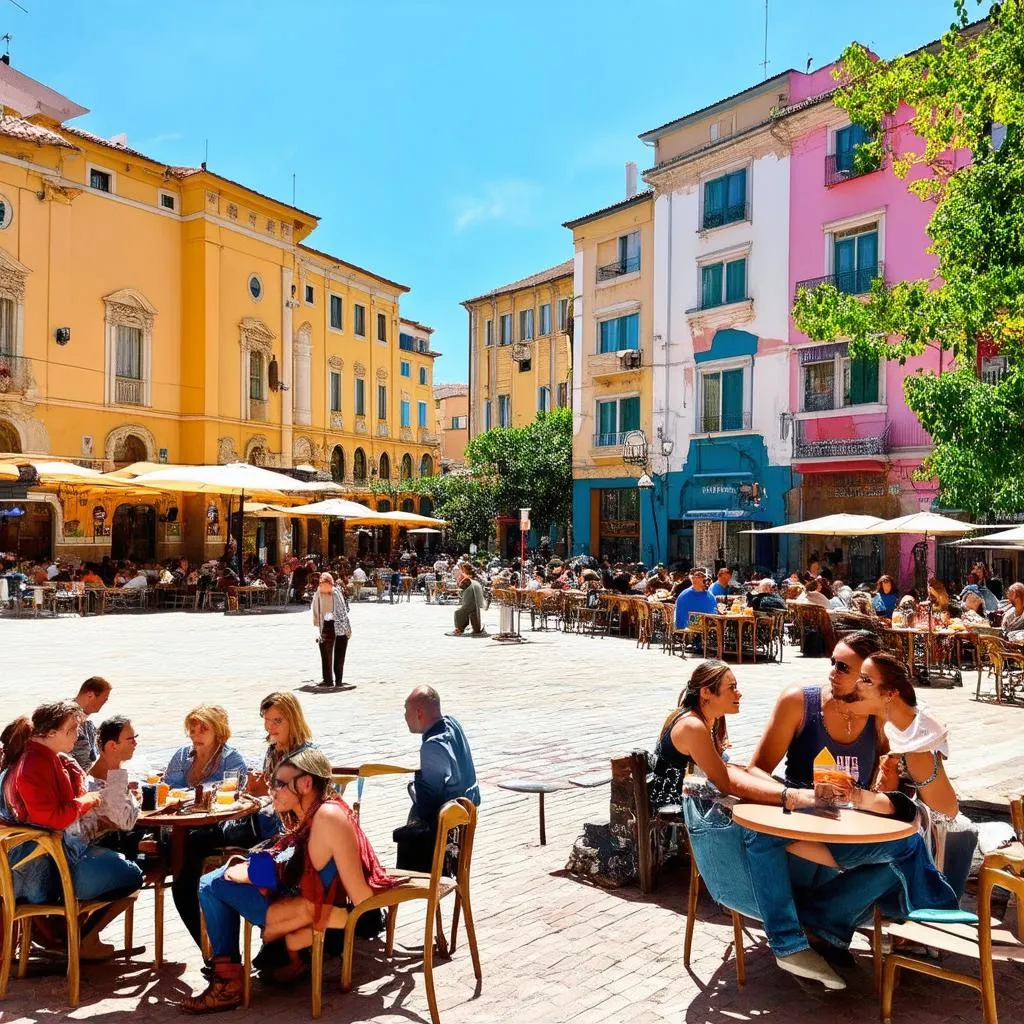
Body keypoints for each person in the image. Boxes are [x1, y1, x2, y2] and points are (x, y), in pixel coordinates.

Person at [183, 749, 401, 1013]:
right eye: (271, 783)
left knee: (210, 884)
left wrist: (245, 872)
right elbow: (291, 860)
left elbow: (288, 872)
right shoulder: (324, 810)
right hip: (302, 898)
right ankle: (248, 968)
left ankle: (228, 983)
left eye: (280, 784)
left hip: (304, 907)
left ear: (306, 783)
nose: (272, 790)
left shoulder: (326, 817)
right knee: (221, 876)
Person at [0, 702, 143, 956]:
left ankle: (66, 938)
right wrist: (88, 800)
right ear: (51, 733)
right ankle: (75, 940)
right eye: (72, 729)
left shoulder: (40, 758)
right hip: (45, 873)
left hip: (36, 862)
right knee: (133, 873)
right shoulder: (34, 764)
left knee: (120, 855)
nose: (78, 734)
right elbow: (54, 817)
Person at [855, 653, 978, 899]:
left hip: (937, 836)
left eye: (865, 680)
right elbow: (893, 794)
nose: (857, 685)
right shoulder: (895, 723)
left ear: (890, 693)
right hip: (921, 821)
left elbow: (936, 815)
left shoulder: (917, 743)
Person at [393, 686, 480, 872]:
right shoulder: (452, 724)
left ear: (419, 713)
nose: (404, 716)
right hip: (465, 816)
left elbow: (428, 803)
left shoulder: (432, 746)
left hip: (447, 834)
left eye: (406, 710)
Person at [163, 705, 247, 789]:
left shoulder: (232, 760)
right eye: (192, 731)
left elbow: (234, 793)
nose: (196, 736)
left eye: (203, 730)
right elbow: (170, 786)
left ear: (218, 731)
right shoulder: (182, 755)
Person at [311, 572, 352, 689]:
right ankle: (327, 680)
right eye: (320, 583)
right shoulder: (318, 593)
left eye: (323, 584)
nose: (321, 586)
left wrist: (347, 629)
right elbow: (316, 609)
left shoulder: (336, 593)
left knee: (340, 654)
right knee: (325, 653)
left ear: (330, 583)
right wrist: (318, 627)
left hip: (340, 626)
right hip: (326, 625)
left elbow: (343, 612)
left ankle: (339, 680)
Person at [71, 676, 112, 771]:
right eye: (104, 699)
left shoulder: (88, 725)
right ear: (90, 695)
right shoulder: (67, 717)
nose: (105, 703)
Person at [451, 562, 486, 636]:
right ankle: (476, 629)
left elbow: (462, 587)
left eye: (462, 568)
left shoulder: (466, 577)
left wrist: (453, 589)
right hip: (476, 595)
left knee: (459, 613)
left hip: (471, 595)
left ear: (464, 569)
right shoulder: (473, 575)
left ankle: (459, 629)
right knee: (474, 612)